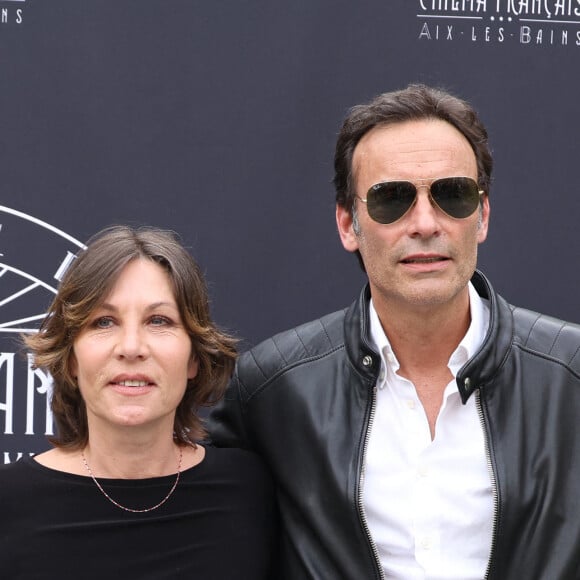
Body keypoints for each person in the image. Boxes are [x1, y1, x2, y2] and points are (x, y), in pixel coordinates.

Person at [208, 84, 580, 579]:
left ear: (483, 215)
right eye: (392, 200)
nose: (425, 222)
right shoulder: (274, 391)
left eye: (453, 195)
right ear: (348, 223)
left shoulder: (570, 378)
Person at [0, 226, 277, 579]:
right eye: (104, 322)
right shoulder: (7, 503)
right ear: (70, 358)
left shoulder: (249, 490)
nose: (131, 347)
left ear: (194, 356)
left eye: (158, 320)